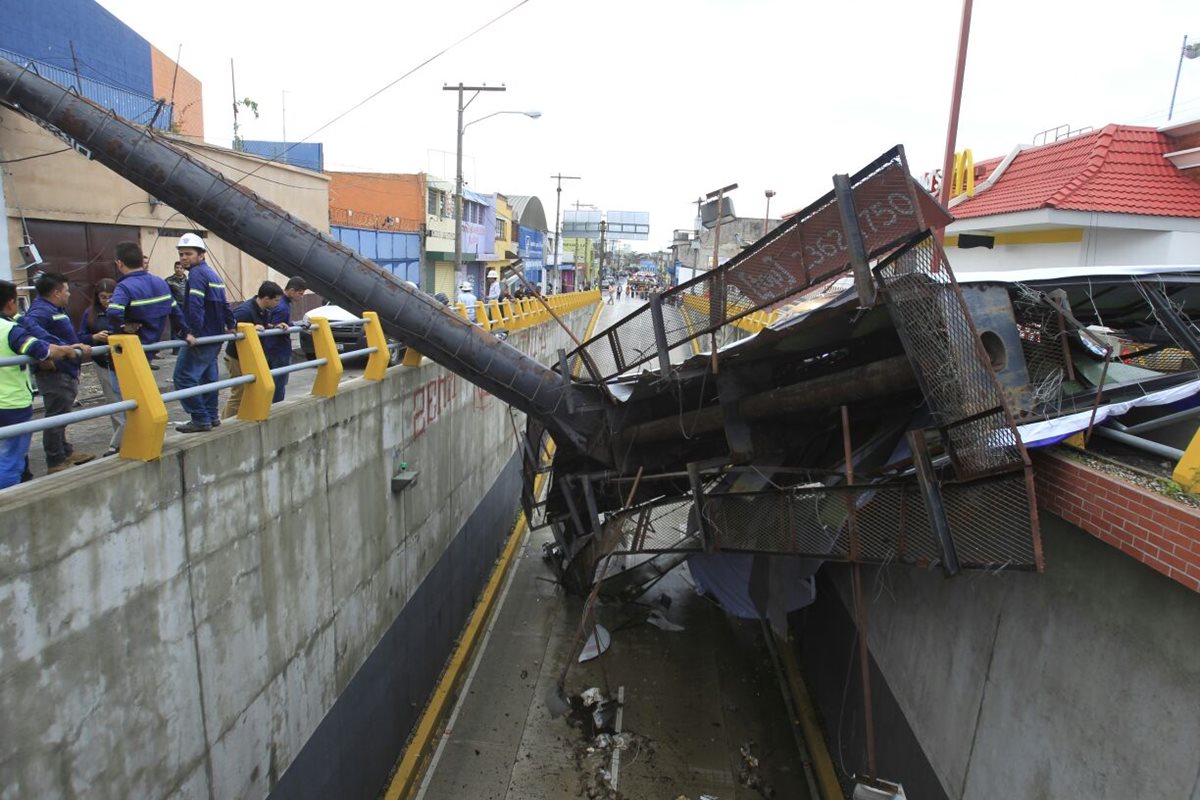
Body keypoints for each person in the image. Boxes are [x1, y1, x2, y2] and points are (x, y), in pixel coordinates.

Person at [1, 280, 79, 488]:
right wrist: (67, 350)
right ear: (10, 303)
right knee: (11, 460)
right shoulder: (9, 329)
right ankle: (10, 503)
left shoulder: (15, 322)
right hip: (11, 404)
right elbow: (40, 349)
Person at [21, 272, 95, 472]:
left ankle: (65, 451)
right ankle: (55, 460)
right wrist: (63, 349)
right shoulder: (39, 312)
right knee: (56, 415)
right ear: (56, 292)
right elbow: (32, 333)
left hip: (67, 369)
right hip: (55, 372)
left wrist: (71, 346)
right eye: (67, 291)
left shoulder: (54, 309)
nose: (69, 294)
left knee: (63, 413)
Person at [172, 233, 234, 433]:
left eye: (188, 254)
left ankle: (200, 418)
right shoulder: (213, 275)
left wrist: (190, 332)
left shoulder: (197, 275)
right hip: (215, 336)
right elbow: (224, 304)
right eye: (181, 254)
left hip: (202, 337)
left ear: (202, 255)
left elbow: (195, 307)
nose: (183, 258)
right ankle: (212, 416)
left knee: (183, 377)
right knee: (208, 378)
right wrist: (231, 324)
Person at [222, 281, 284, 419]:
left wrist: (274, 326)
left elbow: (262, 325)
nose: (278, 303)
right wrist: (249, 328)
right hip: (236, 357)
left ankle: (236, 418)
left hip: (248, 357)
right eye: (276, 300)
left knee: (249, 390)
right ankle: (226, 423)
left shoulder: (264, 310)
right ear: (266, 299)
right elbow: (228, 327)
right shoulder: (245, 311)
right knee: (239, 393)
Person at [78, 278, 124, 456]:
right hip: (103, 363)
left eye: (111, 297)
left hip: (123, 360)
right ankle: (117, 443)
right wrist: (95, 337)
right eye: (103, 297)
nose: (107, 301)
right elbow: (82, 335)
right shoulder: (90, 313)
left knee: (130, 401)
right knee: (114, 402)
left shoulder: (122, 309)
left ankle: (122, 441)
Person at [266, 277, 305, 403]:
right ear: (292, 291)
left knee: (273, 382)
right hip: (279, 350)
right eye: (300, 293)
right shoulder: (282, 307)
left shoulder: (280, 302)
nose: (302, 297)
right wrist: (297, 326)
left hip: (271, 348)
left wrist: (293, 324)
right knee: (279, 384)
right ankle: (276, 408)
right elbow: (278, 326)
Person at [166, 261, 187, 339]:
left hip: (185, 308)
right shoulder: (169, 280)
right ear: (174, 269)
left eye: (181, 268)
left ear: (184, 269)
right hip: (175, 308)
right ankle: (176, 350)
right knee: (175, 329)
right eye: (177, 267)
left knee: (185, 328)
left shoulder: (188, 281)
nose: (179, 269)